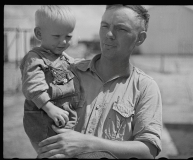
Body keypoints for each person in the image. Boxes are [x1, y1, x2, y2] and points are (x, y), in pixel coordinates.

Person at [37, 5, 162, 159]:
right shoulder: (68, 72)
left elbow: (148, 151)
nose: (109, 34)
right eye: (104, 26)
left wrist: (89, 144)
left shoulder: (145, 87)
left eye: (121, 29)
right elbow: (37, 117)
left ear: (140, 38)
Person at [20, 5, 83, 155]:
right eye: (57, 36)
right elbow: (34, 87)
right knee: (51, 153)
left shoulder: (64, 57)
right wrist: (49, 108)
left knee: (67, 151)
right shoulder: (34, 58)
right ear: (39, 34)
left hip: (62, 116)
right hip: (43, 118)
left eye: (68, 36)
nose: (63, 42)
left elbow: (77, 67)